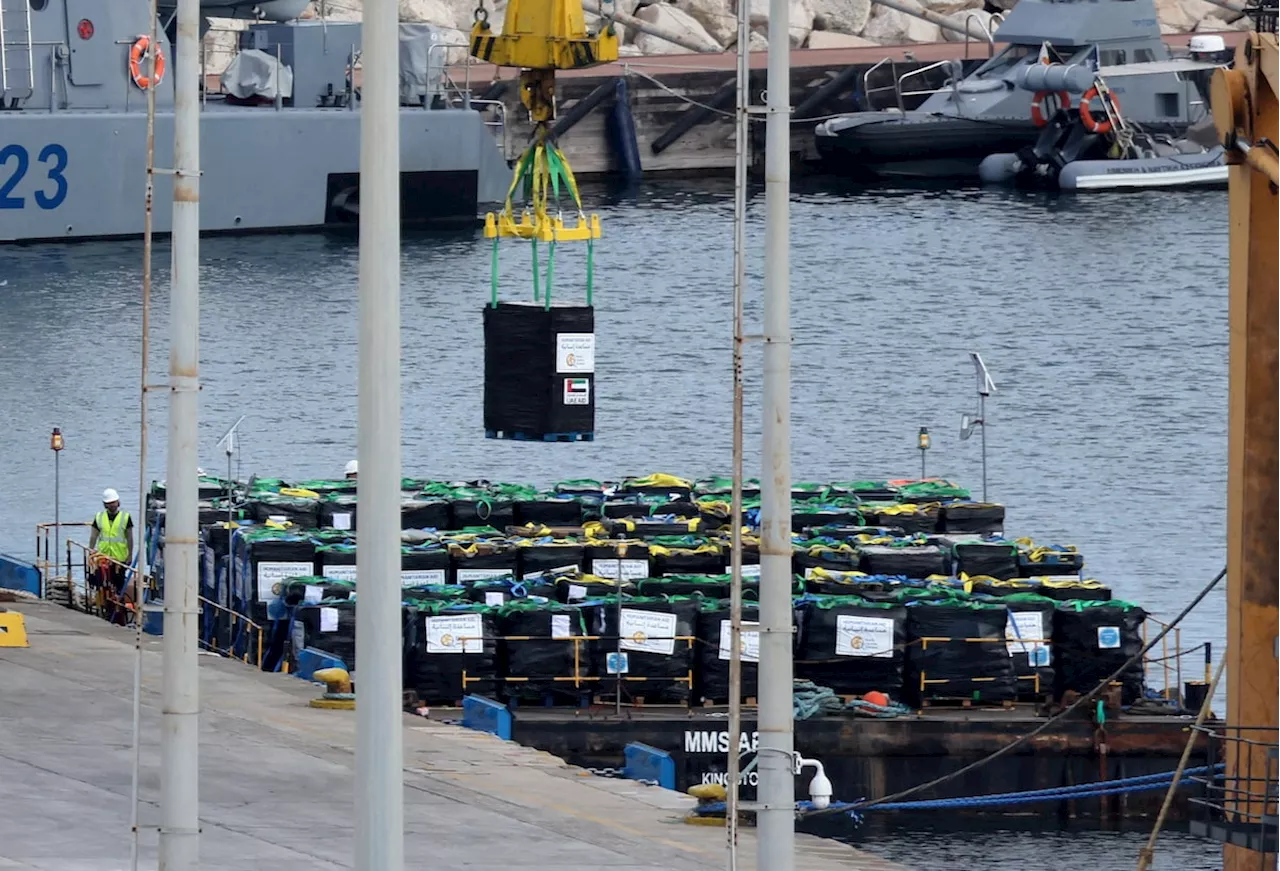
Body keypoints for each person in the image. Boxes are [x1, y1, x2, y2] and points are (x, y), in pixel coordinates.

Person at [89, 488, 134, 622]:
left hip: (119, 560)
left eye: (114, 502)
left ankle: (119, 613)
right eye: (109, 503)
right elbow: (94, 535)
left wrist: (130, 555)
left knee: (118, 586)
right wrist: (90, 551)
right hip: (103, 559)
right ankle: (105, 610)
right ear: (105, 505)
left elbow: (130, 538)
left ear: (118, 502)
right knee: (102, 586)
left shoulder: (125, 517)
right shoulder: (99, 517)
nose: (112, 505)